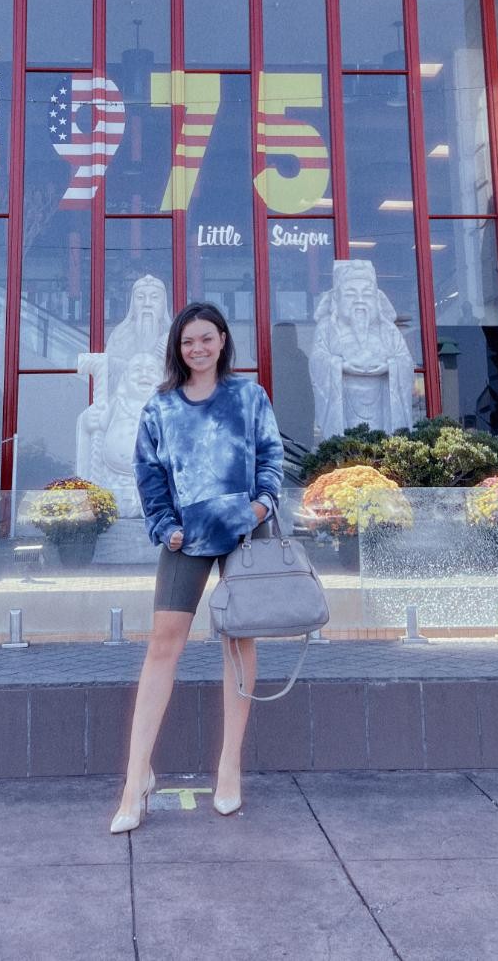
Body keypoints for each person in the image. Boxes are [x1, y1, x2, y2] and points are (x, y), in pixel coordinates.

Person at [110, 301, 283, 834]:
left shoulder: (249, 396)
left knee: (238, 641)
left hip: (245, 531)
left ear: (223, 340)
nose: (198, 348)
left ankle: (229, 766)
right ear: (177, 348)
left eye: (206, 338)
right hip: (186, 537)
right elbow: (148, 473)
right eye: (188, 341)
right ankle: (136, 777)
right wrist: (165, 526)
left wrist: (259, 508)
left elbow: (272, 458)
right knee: (163, 645)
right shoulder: (160, 406)